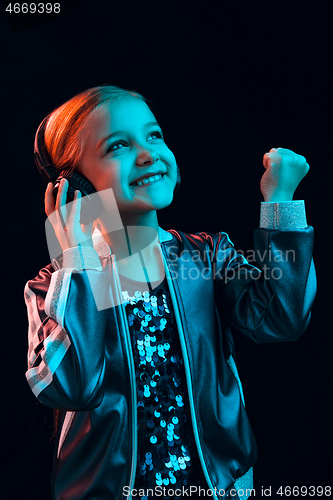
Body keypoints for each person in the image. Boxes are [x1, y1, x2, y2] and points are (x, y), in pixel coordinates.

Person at [24, 85, 316, 500]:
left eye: (154, 136)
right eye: (119, 145)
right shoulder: (52, 286)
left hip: (220, 488)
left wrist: (281, 202)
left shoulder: (207, 256)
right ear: (75, 186)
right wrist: (76, 261)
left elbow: (281, 319)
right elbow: (72, 386)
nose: (147, 154)